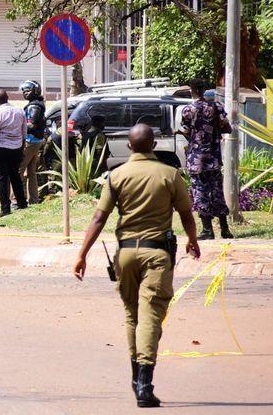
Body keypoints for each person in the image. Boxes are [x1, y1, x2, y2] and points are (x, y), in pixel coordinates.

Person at [73, 124, 201, 408]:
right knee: (151, 316)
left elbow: (98, 218)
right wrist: (192, 240)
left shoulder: (117, 175)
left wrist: (82, 254)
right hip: (157, 255)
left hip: (126, 254)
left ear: (129, 147)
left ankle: (135, 379)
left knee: (132, 315)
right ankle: (145, 384)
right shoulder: (170, 175)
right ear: (154, 145)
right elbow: (186, 214)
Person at [179, 79, 233, 240]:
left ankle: (207, 230)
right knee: (217, 192)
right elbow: (227, 128)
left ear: (192, 90)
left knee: (200, 193)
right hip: (214, 158)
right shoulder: (217, 107)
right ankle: (225, 229)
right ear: (204, 90)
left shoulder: (188, 110)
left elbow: (187, 131)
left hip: (197, 159)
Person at [0, 89, 27, 217]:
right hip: (16, 149)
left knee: (2, 179)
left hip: (0, 149)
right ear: (8, 98)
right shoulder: (20, 111)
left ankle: (5, 208)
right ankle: (22, 203)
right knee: (15, 176)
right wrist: (21, 148)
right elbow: (24, 132)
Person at [18, 81, 46, 205]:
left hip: (30, 141)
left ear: (35, 90)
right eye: (23, 91)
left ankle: (18, 200)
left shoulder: (34, 106)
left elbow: (32, 125)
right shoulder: (36, 104)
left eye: (28, 90)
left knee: (18, 170)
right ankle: (34, 200)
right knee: (31, 172)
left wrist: (17, 127)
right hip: (36, 141)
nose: (25, 93)